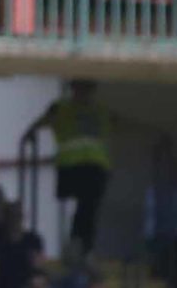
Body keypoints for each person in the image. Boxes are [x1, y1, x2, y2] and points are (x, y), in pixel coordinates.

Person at [27, 80, 115, 253]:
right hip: (73, 166)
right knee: (87, 204)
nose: (84, 92)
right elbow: (44, 120)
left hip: (96, 166)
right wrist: (31, 131)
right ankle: (79, 244)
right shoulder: (61, 108)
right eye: (80, 87)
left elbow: (119, 122)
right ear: (73, 89)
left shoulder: (101, 111)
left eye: (87, 88)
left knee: (89, 205)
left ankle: (80, 245)